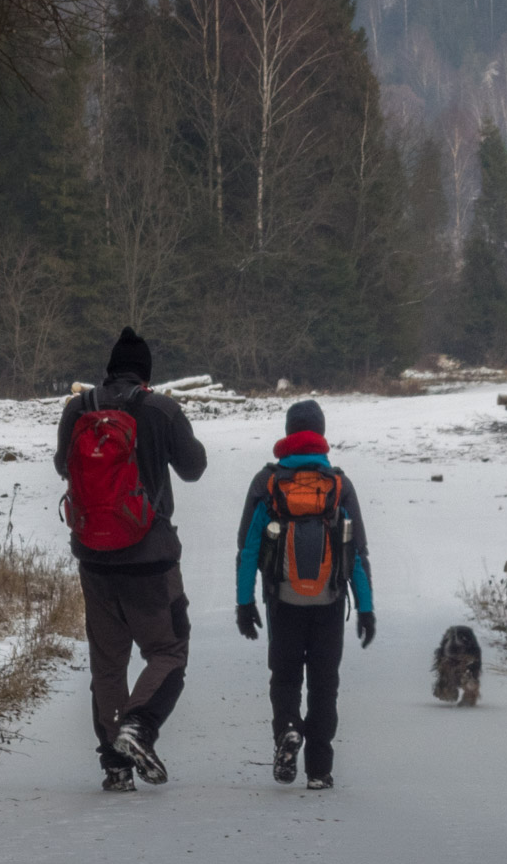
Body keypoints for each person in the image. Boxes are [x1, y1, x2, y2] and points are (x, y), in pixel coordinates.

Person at [55, 327, 207, 791]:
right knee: (168, 651)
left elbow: (64, 465)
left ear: (110, 369)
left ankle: (115, 766)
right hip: (150, 558)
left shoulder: (79, 409)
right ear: (145, 373)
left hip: (93, 557)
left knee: (108, 662)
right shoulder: (161, 409)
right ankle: (138, 728)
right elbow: (194, 467)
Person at [234, 400, 375, 790]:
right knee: (324, 683)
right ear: (321, 434)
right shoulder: (339, 485)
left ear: (288, 431)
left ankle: (288, 731)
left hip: (283, 601)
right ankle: (319, 770)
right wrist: (366, 608)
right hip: (329, 602)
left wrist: (244, 603)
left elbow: (247, 548)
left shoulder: (267, 482)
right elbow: (357, 553)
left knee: (285, 679)